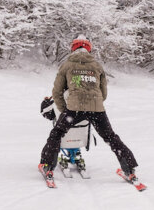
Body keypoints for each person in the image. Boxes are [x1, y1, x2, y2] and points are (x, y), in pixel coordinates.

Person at [39, 37, 138, 179]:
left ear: (73, 49)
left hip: (74, 109)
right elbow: (103, 93)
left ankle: (48, 166)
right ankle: (130, 168)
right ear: (89, 49)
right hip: (97, 109)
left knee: (57, 133)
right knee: (111, 137)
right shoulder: (97, 66)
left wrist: (64, 110)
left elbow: (57, 92)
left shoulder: (67, 65)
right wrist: (95, 104)